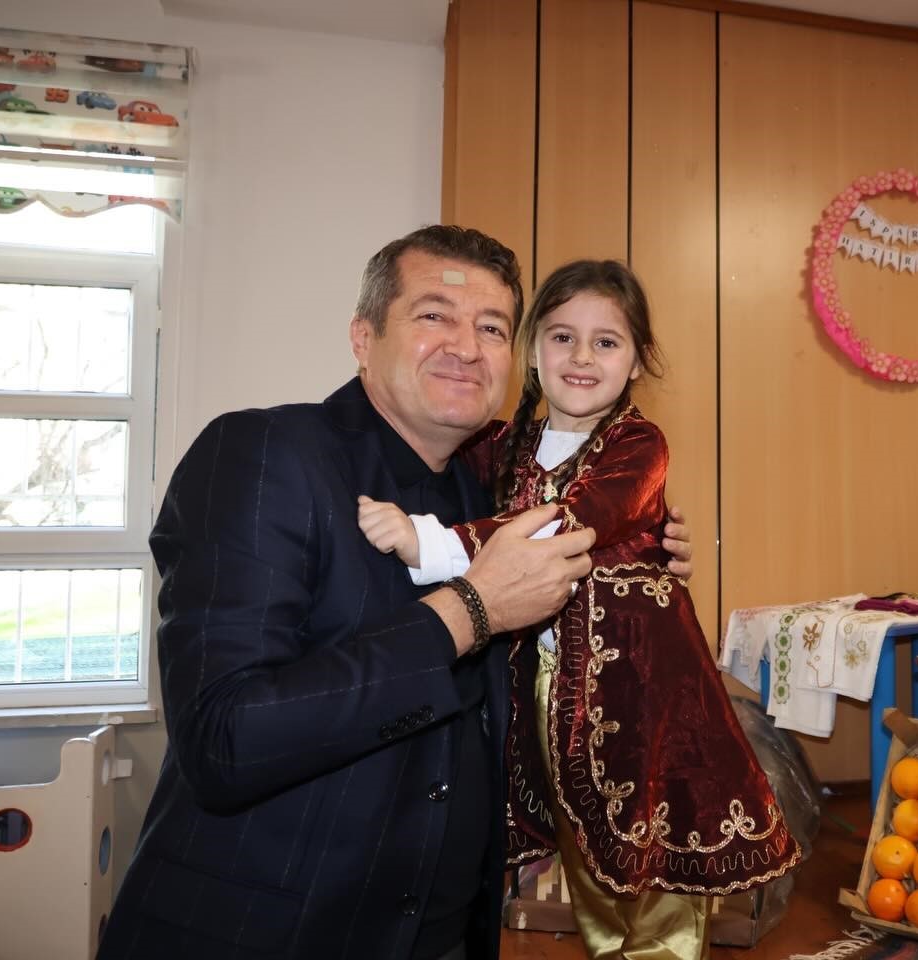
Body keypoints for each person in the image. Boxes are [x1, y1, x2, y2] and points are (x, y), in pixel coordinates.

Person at [97, 227, 694, 960]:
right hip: (263, 937)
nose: (466, 347)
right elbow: (225, 739)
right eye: (434, 315)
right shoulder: (265, 455)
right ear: (363, 337)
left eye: (492, 328)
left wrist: (641, 554)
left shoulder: (491, 494)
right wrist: (470, 609)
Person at [357, 259, 801, 960]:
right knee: (585, 835)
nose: (582, 357)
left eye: (607, 342)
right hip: (549, 685)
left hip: (643, 686)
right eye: (563, 337)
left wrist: (430, 543)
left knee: (653, 832)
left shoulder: (638, 444)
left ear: (638, 360)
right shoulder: (500, 445)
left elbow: (571, 526)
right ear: (532, 349)